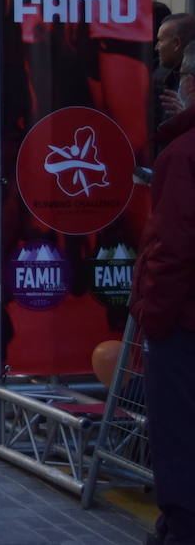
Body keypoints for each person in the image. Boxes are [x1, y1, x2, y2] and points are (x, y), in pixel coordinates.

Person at [130, 41, 195, 545]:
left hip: (182, 322)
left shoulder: (183, 152)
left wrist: (153, 314)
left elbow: (172, 245)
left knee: (178, 432)